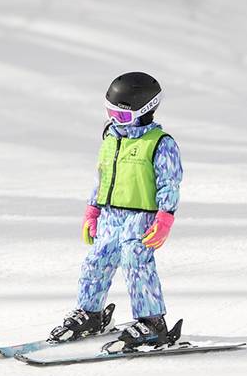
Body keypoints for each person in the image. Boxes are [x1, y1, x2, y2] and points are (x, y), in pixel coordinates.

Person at [51, 72, 185, 350]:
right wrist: (92, 210)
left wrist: (165, 217)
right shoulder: (111, 138)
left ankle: (151, 322)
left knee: (136, 262)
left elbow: (169, 182)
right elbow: (102, 178)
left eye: (122, 116)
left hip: (141, 216)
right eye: (110, 113)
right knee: (97, 260)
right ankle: (91, 313)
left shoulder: (160, 143)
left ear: (145, 112)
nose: (114, 121)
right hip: (111, 215)